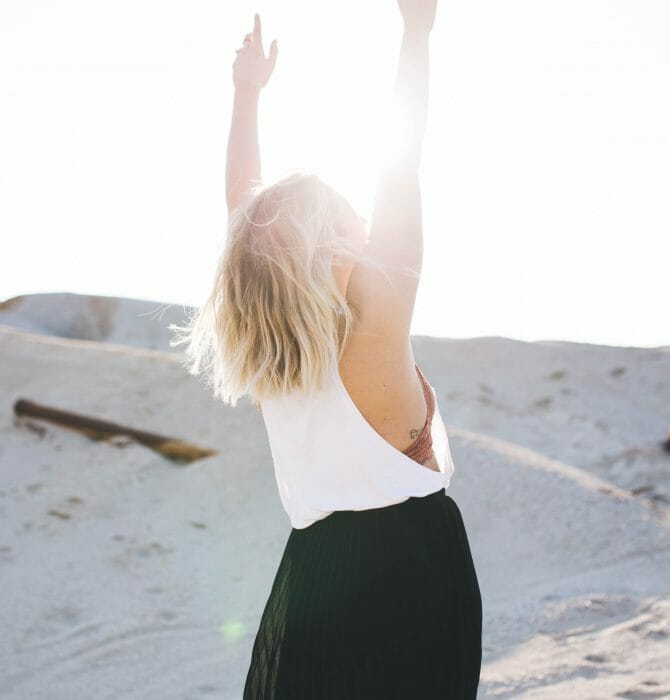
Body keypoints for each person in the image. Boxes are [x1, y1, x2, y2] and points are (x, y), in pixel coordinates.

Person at [170, 2, 482, 697]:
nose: (365, 219)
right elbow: (404, 166)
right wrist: (415, 34)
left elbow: (241, 213)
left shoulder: (278, 359)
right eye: (348, 213)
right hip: (411, 572)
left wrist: (246, 95)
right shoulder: (375, 316)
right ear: (324, 240)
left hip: (312, 571)